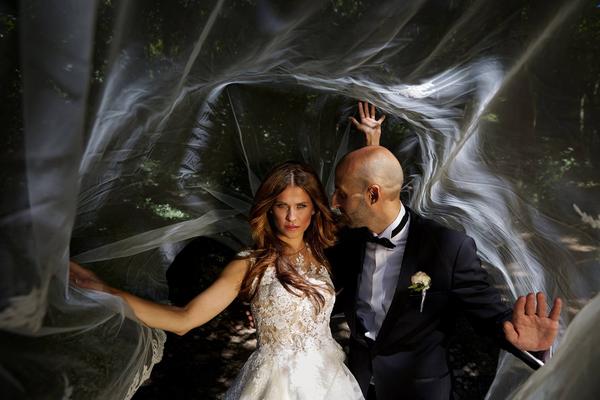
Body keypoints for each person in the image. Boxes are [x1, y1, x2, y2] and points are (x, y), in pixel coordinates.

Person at [70, 162, 364, 400]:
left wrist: (372, 141)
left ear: (314, 208)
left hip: (330, 380)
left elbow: (372, 211)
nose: (291, 216)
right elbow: (184, 319)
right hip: (277, 386)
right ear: (268, 208)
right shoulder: (250, 263)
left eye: (300, 206)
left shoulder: (323, 250)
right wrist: (107, 291)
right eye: (281, 205)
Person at [327, 102, 562, 400]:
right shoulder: (347, 240)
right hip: (355, 388)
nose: (334, 202)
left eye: (342, 194)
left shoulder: (447, 248)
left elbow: (488, 314)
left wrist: (529, 343)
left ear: (373, 195)